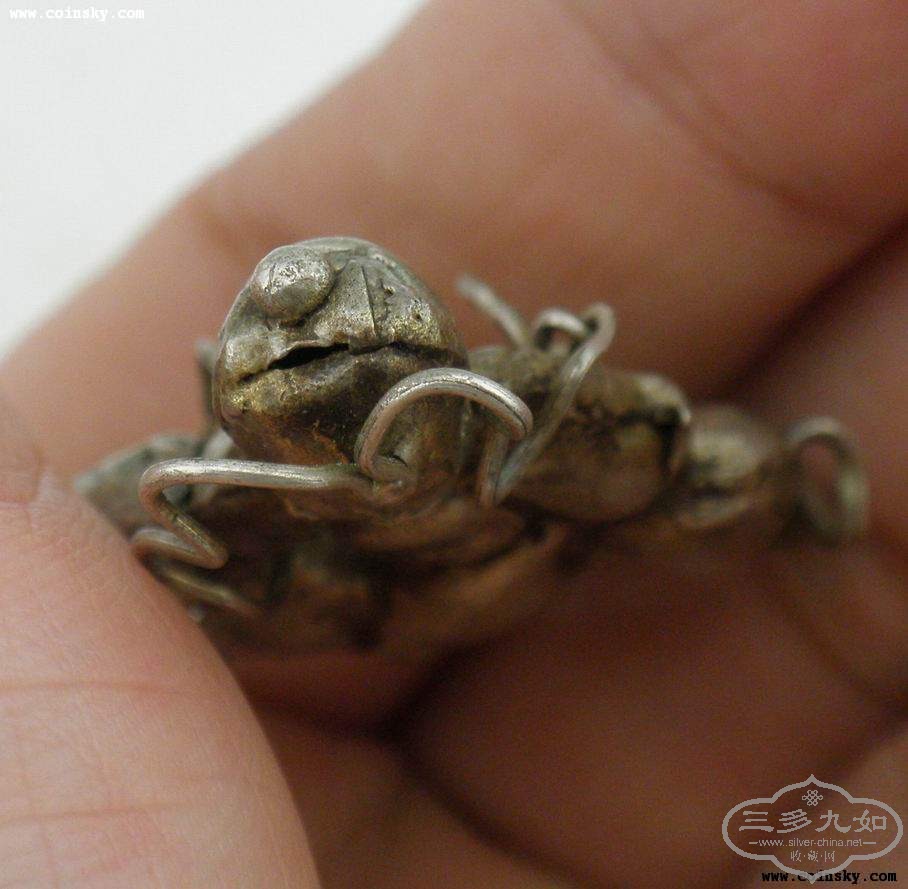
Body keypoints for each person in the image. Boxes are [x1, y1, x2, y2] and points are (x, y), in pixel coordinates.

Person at [0, 1, 906, 885]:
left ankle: (789, 499)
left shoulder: (518, 412)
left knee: (687, 467)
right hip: (378, 606)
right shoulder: (230, 501)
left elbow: (642, 456)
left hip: (521, 543)